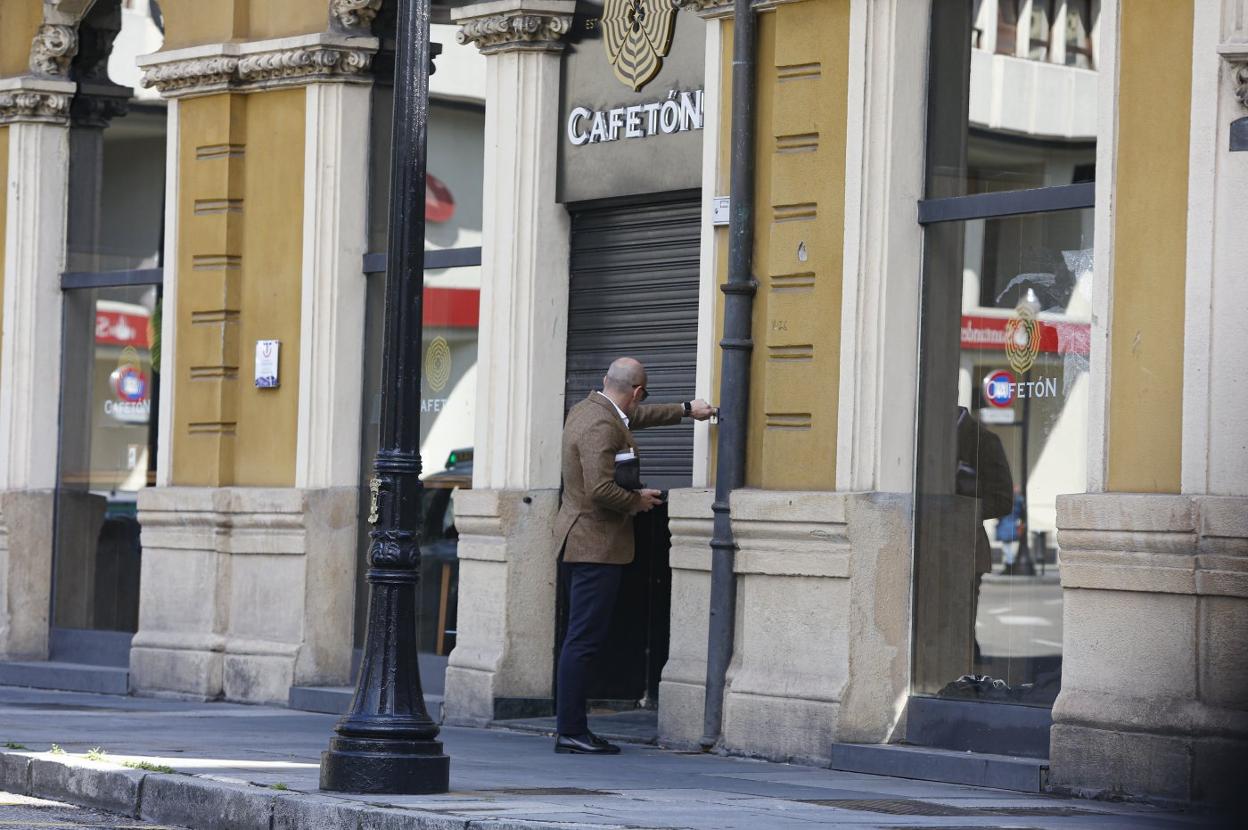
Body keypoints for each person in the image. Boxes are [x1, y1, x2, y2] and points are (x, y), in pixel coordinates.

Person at [552, 357, 715, 754]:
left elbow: (633, 419)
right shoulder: (601, 425)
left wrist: (684, 410)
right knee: (583, 641)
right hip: (595, 545)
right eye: (642, 397)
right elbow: (599, 491)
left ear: (607, 381)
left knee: (581, 638)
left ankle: (570, 728)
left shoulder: (590, 408)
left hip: (581, 541)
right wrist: (636, 501)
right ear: (637, 390)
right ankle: (571, 731)